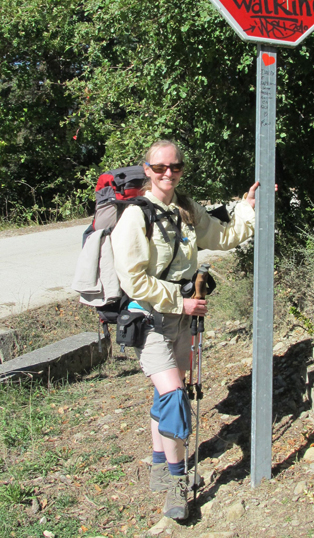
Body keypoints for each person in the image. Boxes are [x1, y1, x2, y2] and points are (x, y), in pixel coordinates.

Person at [111, 139, 257, 521]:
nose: (168, 173)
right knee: (175, 396)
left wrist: (246, 209)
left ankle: (160, 462)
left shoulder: (186, 209)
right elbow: (132, 280)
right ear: (147, 170)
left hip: (184, 320)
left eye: (175, 167)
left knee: (168, 396)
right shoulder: (134, 217)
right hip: (149, 319)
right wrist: (181, 301)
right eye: (160, 168)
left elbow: (222, 237)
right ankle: (178, 484)